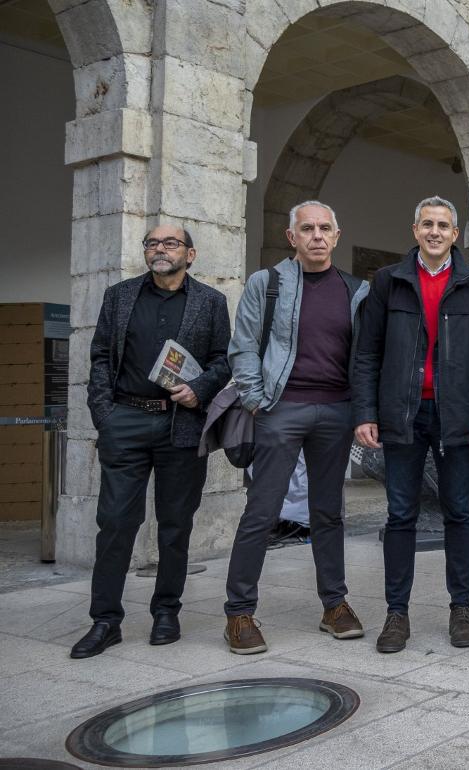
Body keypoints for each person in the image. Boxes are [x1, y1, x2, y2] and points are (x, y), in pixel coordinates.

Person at [352, 195, 469, 653]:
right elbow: (367, 354)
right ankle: (396, 614)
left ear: (455, 235)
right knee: (401, 515)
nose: (435, 232)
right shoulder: (388, 281)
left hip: (456, 414)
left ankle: (462, 608)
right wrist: (365, 413)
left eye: (444, 225)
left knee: (460, 512)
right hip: (403, 413)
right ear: (415, 230)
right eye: (427, 224)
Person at [71, 225, 232, 658]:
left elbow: (223, 360)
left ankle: (167, 611)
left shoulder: (211, 302)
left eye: (170, 243)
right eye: (152, 244)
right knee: (117, 524)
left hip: (181, 424)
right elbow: (101, 355)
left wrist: (199, 387)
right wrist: (105, 415)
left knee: (176, 526)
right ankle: (105, 621)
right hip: (125, 420)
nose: (160, 250)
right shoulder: (120, 295)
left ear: (190, 254)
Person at [223, 200, 370, 654]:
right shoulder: (266, 284)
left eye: (325, 228)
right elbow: (244, 345)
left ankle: (335, 605)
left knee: (328, 514)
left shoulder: (357, 290)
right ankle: (239, 613)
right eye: (307, 229)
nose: (317, 236)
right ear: (293, 237)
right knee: (262, 512)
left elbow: (365, 356)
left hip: (336, 413)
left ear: (337, 235)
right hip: (280, 409)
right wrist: (256, 400)